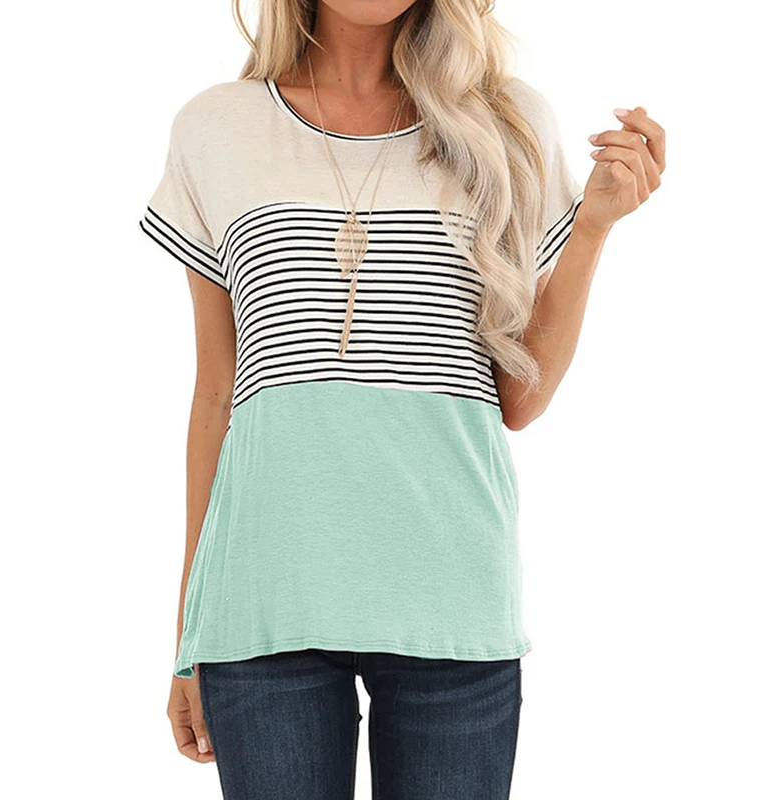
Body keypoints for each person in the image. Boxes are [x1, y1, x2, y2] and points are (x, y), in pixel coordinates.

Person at [138, 1, 666, 797]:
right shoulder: (216, 128)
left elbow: (519, 400)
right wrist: (191, 630)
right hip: (263, 604)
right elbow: (217, 392)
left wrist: (592, 228)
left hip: (451, 598)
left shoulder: (509, 124)